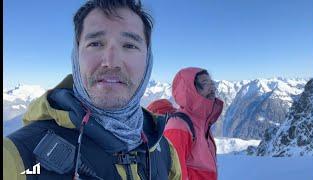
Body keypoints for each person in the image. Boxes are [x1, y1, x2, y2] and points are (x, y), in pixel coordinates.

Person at [3, 0, 181, 179]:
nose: (111, 62)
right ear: (76, 56)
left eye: (129, 45)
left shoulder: (165, 151)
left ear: (148, 61)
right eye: (95, 43)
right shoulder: (16, 157)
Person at [164, 67, 224, 180]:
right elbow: (175, 175)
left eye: (211, 82)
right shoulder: (178, 126)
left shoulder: (202, 123)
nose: (212, 87)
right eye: (205, 83)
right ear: (189, 90)